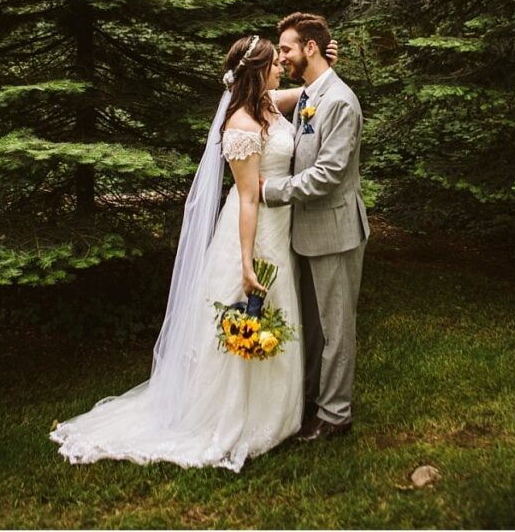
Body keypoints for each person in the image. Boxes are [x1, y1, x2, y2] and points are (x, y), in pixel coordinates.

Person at [50, 33, 336, 472]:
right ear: (259, 71)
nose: (282, 64)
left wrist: (327, 63)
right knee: (247, 313)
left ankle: (277, 412)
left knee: (278, 314)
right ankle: (237, 418)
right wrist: (245, 263)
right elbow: (245, 199)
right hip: (253, 234)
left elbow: (309, 90)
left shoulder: (268, 103)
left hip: (279, 229)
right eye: (274, 62)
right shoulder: (241, 123)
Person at [261, 12, 369, 443]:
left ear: (309, 48)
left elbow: (327, 174)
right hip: (306, 231)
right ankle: (309, 398)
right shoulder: (311, 90)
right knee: (314, 325)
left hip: (336, 231)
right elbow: (254, 94)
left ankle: (336, 415)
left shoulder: (340, 101)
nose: (280, 55)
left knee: (337, 327)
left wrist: (272, 190)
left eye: (286, 48)